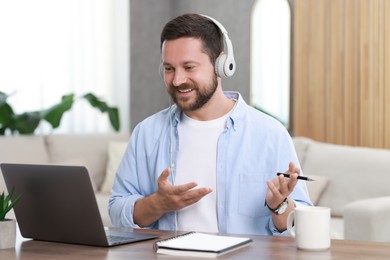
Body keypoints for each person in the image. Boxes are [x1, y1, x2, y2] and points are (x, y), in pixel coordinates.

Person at [109, 13, 312, 236]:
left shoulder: (270, 134)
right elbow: (117, 210)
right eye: (169, 69)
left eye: (189, 67)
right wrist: (158, 204)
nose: (177, 80)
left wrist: (279, 206)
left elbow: (302, 224)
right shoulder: (146, 133)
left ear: (221, 64)